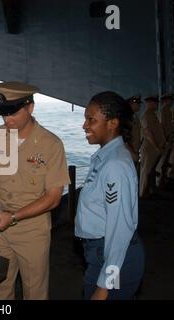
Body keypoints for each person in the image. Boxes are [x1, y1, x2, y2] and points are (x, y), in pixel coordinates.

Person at [0, 81, 71, 299]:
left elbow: (54, 197)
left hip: (32, 229)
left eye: (13, 112)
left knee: (34, 291)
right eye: (3, 114)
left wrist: (14, 217)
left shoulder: (51, 144)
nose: (7, 119)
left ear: (30, 107)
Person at [75, 91, 145, 300]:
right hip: (101, 254)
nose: (84, 125)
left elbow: (120, 230)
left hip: (113, 258)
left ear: (112, 123)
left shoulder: (115, 165)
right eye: (85, 118)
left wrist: (105, 285)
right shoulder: (107, 157)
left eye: (91, 119)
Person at [139, 95, 166, 198]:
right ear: (149, 103)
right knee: (146, 171)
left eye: (157, 103)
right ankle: (142, 194)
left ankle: (150, 191)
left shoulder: (153, 115)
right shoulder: (146, 115)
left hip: (155, 147)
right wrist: (156, 147)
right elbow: (148, 132)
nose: (156, 104)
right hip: (150, 148)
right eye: (154, 103)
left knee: (151, 171)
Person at [156, 93, 173, 188]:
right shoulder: (163, 111)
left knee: (165, 162)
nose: (171, 102)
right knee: (161, 162)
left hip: (168, 139)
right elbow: (162, 126)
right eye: (170, 100)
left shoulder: (167, 110)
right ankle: (158, 182)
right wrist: (164, 139)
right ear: (166, 100)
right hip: (164, 140)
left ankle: (163, 180)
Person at [125, 95, 142, 170]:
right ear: (131, 104)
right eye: (138, 103)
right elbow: (123, 139)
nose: (140, 105)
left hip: (135, 151)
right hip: (129, 153)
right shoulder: (127, 118)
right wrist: (132, 153)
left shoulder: (135, 116)